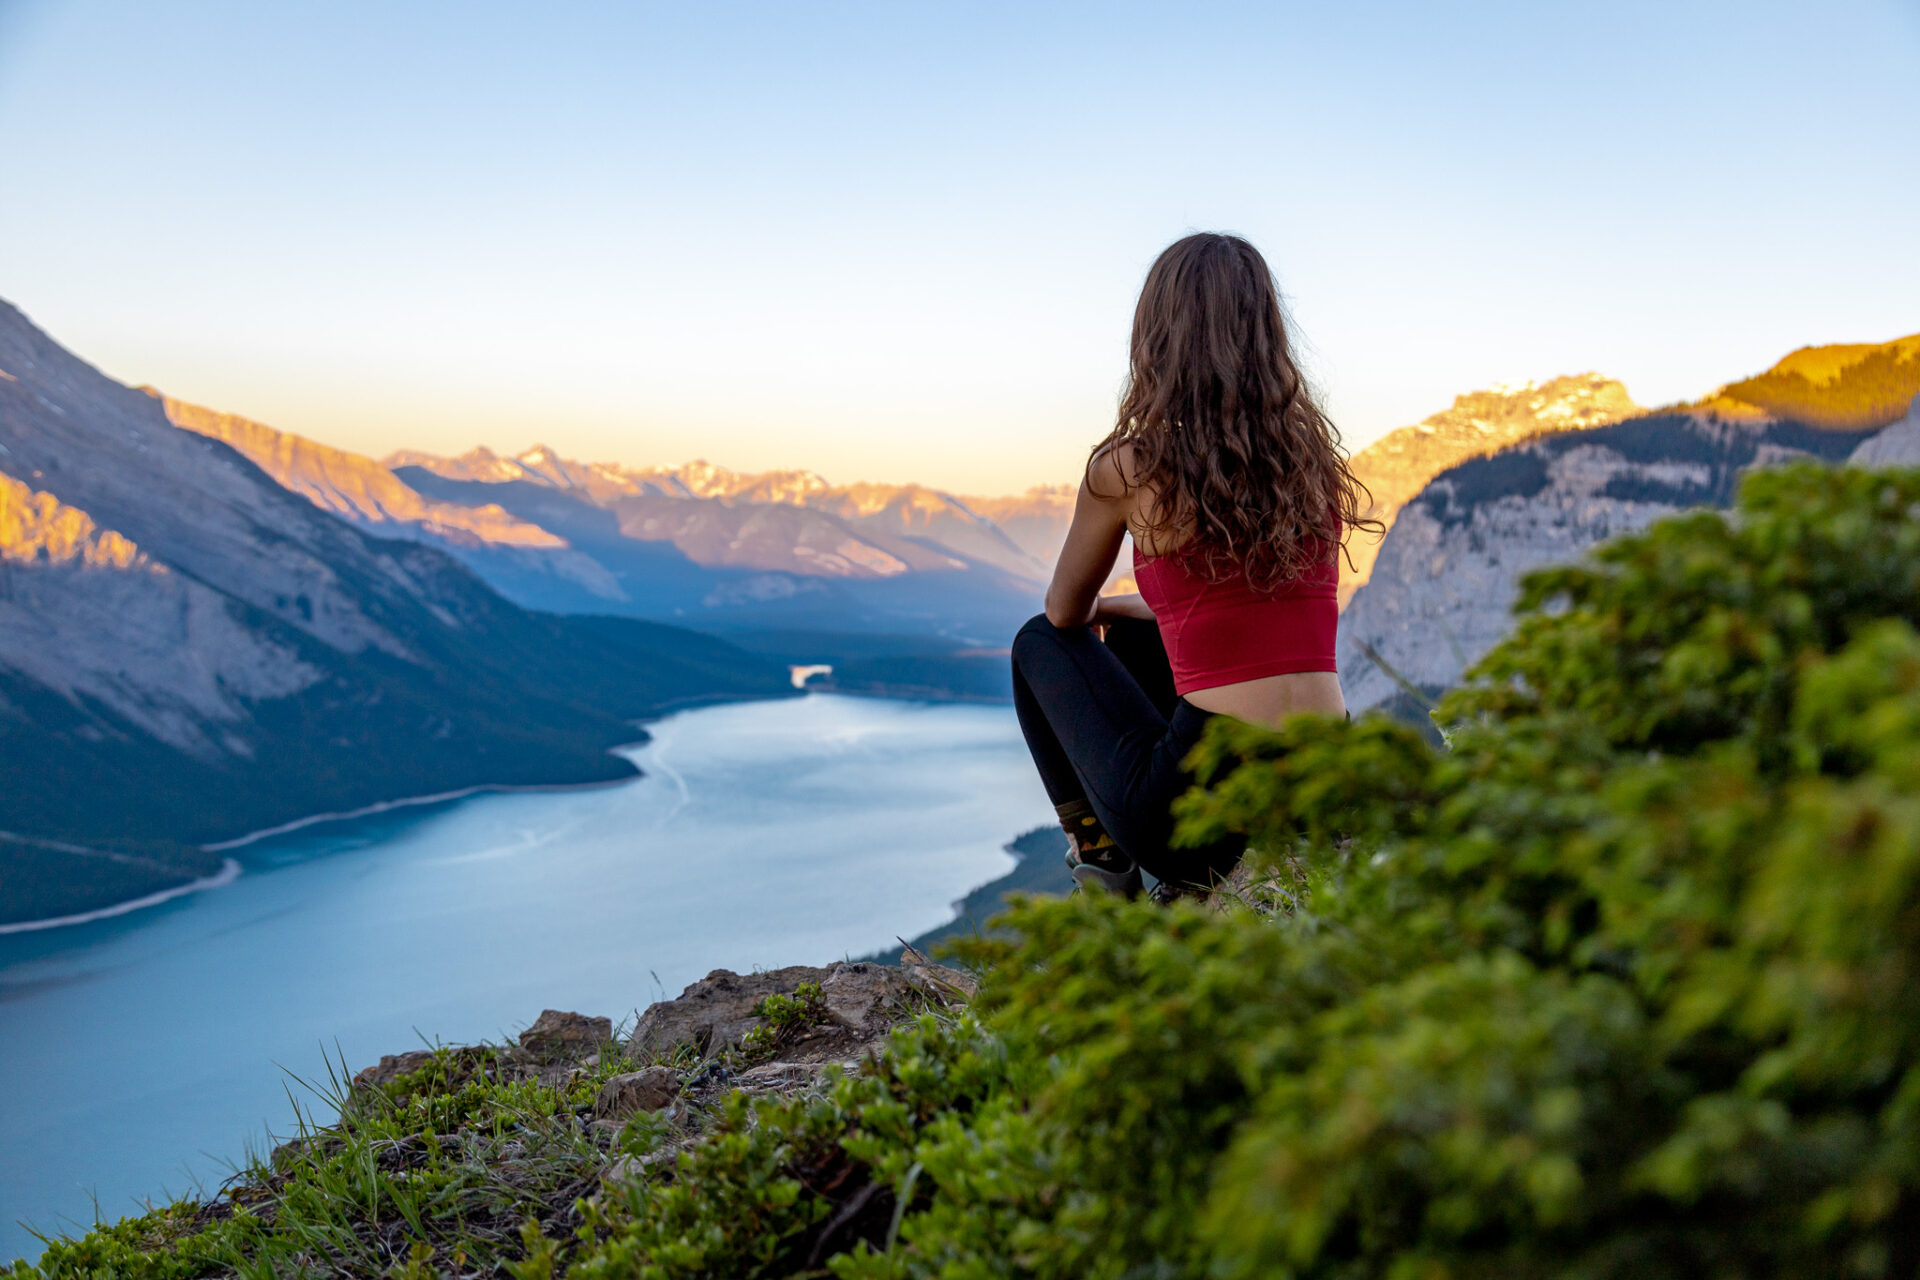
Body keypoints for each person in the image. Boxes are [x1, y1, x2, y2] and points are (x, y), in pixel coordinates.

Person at [1011, 232, 1379, 902]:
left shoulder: (1127, 468)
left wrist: (1100, 607)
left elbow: (1064, 612)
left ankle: (1102, 864)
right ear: (1267, 333)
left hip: (1202, 820)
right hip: (1325, 781)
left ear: (1156, 336)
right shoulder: (1310, 465)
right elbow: (1247, 615)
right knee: (1132, 636)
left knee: (1036, 641)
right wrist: (1132, 610)